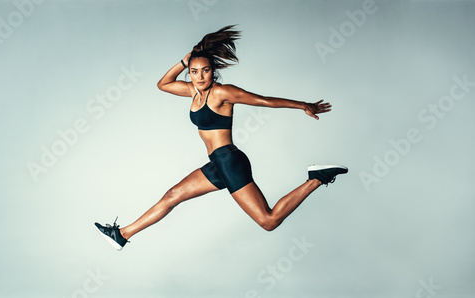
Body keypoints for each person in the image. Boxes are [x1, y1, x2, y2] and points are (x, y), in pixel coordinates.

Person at [94, 25, 348, 250]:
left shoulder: (222, 93)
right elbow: (163, 84)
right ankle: (122, 234)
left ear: (213, 71)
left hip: (230, 161)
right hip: (217, 164)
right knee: (172, 196)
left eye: (204, 71)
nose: (199, 76)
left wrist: (303, 104)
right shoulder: (192, 92)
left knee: (268, 221)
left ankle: (316, 178)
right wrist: (183, 62)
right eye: (194, 71)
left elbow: (264, 101)